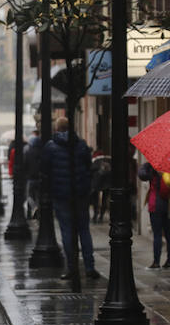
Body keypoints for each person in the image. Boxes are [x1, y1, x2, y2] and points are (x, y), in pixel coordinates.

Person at [42, 117, 99, 280]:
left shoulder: (51, 147)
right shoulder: (81, 144)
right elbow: (89, 167)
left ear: (56, 129)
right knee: (84, 230)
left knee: (67, 232)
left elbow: (44, 170)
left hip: (61, 195)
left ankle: (72, 268)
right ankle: (89, 267)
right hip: (80, 194)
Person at [139, 162, 170, 270]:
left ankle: (156, 262)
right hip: (168, 204)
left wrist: (149, 165)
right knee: (169, 234)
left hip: (155, 205)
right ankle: (169, 261)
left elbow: (141, 174)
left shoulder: (151, 167)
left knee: (157, 235)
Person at [24, 130, 43, 219]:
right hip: (40, 178)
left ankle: (34, 207)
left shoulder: (28, 152)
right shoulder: (43, 152)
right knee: (39, 195)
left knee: (29, 196)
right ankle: (38, 210)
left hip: (30, 178)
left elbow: (25, 164)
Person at [90, 151, 111, 223]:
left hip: (96, 183)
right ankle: (101, 216)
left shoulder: (94, 161)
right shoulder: (109, 161)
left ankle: (96, 215)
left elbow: (90, 172)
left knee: (95, 200)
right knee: (104, 200)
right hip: (107, 183)